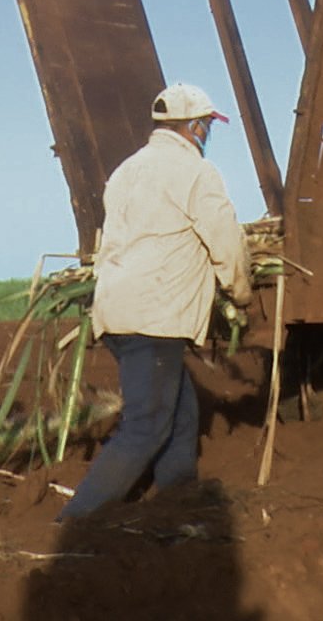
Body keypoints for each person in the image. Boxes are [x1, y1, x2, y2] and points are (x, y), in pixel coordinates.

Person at [57, 83, 255, 521]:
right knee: (146, 426)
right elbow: (226, 239)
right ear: (197, 127)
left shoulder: (127, 170)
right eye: (207, 126)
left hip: (116, 312)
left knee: (182, 417)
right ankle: (74, 523)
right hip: (156, 317)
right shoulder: (197, 173)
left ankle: (177, 502)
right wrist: (241, 293)